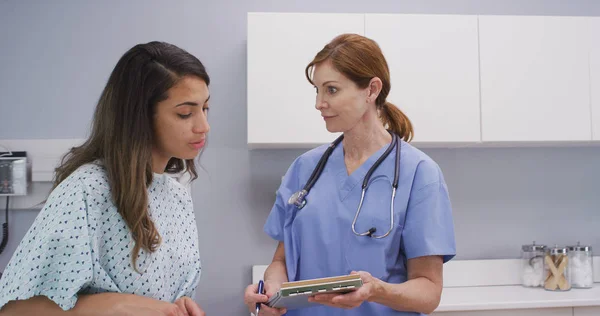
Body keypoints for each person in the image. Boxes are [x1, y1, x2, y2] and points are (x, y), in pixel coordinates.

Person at [244, 33, 456, 316]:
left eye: (331, 90)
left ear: (371, 90)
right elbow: (280, 262)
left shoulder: (419, 173)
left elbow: (429, 291)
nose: (319, 103)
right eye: (317, 91)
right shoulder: (304, 169)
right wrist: (270, 291)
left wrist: (378, 290)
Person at [0, 41, 210, 316]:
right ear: (139, 116)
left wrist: (177, 305)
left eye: (205, 108)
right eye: (185, 113)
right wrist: (113, 305)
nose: (203, 126)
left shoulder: (177, 197)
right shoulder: (88, 190)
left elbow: (157, 294)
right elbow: (14, 309)